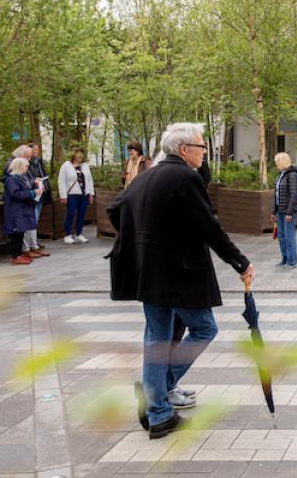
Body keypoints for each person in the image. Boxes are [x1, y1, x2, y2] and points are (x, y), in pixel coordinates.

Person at [107, 122, 254, 440]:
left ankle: (158, 412)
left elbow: (115, 208)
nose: (204, 153)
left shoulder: (148, 175)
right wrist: (239, 261)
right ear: (185, 149)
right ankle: (155, 395)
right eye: (202, 147)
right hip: (180, 273)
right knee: (204, 328)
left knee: (157, 339)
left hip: (151, 273)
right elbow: (208, 226)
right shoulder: (185, 177)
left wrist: (143, 239)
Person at [3, 158, 43, 265]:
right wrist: (33, 193)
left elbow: (25, 188)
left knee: (21, 232)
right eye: (26, 166)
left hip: (21, 210)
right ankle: (15, 256)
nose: (27, 168)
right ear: (20, 167)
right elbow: (16, 194)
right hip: (15, 211)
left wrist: (35, 189)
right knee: (16, 234)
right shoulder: (11, 180)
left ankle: (19, 255)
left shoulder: (20, 178)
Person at [57, 148, 94, 244]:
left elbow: (90, 180)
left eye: (81, 155)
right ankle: (68, 235)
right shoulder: (66, 166)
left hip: (84, 194)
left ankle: (79, 234)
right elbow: (61, 181)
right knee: (71, 213)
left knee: (82, 214)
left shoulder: (85, 166)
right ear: (73, 156)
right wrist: (63, 195)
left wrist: (91, 194)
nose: (80, 157)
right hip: (72, 194)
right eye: (78, 155)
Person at [272, 152, 297, 269]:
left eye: (276, 162)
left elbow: (294, 195)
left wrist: (289, 213)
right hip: (279, 210)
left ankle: (292, 261)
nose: (275, 164)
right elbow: (276, 194)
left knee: (289, 236)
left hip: (288, 212)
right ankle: (284, 259)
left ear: (281, 161)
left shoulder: (292, 175)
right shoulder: (280, 175)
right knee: (281, 236)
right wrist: (273, 212)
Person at [27, 144, 51, 257]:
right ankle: (33, 244)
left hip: (41, 193)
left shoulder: (39, 161)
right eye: (35, 149)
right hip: (33, 193)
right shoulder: (28, 163)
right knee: (33, 218)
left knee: (37, 218)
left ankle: (35, 241)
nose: (37, 151)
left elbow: (43, 174)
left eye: (37, 149)